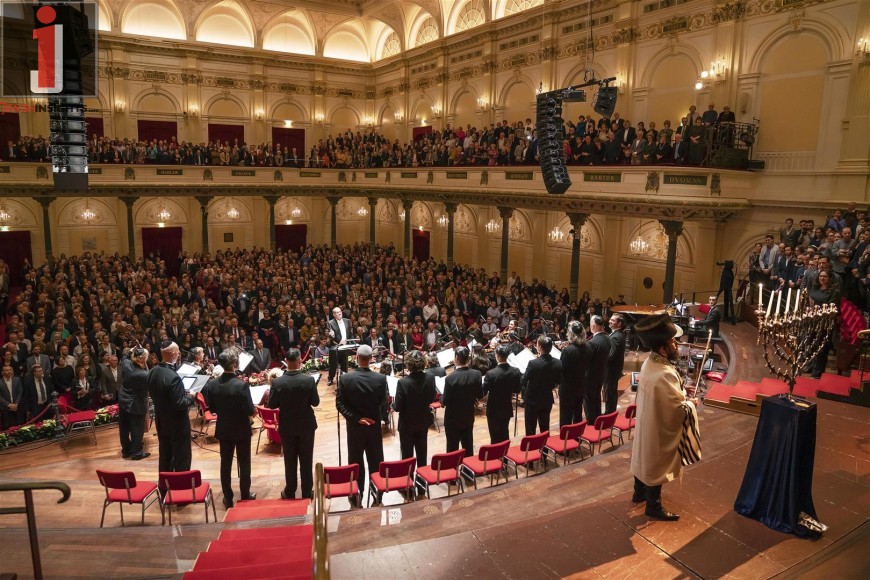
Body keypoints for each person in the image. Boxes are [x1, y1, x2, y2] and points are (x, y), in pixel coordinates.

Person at [631, 313, 691, 521]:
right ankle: (653, 506)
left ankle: (639, 493)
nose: (677, 345)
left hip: (647, 422)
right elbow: (676, 408)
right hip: (657, 427)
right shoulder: (665, 372)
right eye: (673, 341)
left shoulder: (649, 363)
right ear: (662, 348)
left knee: (643, 456)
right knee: (655, 461)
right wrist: (691, 403)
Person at [202, 349, 256, 508]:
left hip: (224, 428)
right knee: (244, 463)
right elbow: (249, 410)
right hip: (241, 429)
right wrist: (253, 411)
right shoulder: (241, 385)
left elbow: (212, 409)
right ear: (234, 364)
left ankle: (228, 497)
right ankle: (245, 494)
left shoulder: (212, 384)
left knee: (225, 464)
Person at [335, 344, 388, 505]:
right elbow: (383, 402)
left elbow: (339, 404)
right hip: (373, 427)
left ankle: (356, 495)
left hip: (355, 428)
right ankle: (377, 495)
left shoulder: (345, 379)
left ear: (356, 357)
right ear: (371, 358)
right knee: (376, 461)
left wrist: (356, 418)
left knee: (355, 462)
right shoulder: (380, 379)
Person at [268, 348, 320, 500]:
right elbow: (315, 402)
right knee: (306, 459)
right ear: (299, 360)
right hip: (306, 425)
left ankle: (290, 491)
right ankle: (307, 492)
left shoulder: (278, 382)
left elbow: (272, 404)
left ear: (286, 361)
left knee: (289, 460)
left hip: (287, 426)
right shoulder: (308, 380)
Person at [148, 341, 193, 490]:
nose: (179, 354)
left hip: (162, 423)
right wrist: (191, 396)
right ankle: (181, 492)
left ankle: (164, 490)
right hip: (177, 426)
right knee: (181, 460)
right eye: (178, 351)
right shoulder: (173, 377)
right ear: (173, 353)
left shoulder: (153, 371)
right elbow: (180, 404)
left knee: (165, 459)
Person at [392, 350, 437, 466]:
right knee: (422, 455)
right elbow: (432, 398)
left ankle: (409, 477)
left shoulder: (403, 382)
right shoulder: (430, 378)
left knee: (407, 458)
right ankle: (422, 476)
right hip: (423, 421)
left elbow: (397, 407)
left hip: (407, 424)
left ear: (408, 364)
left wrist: (392, 404)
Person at [441, 346, 483, 457]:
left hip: (452, 419)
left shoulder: (450, 378)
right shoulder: (477, 374)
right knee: (468, 447)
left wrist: (441, 398)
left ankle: (453, 468)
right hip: (468, 416)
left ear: (456, 359)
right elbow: (480, 395)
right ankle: (468, 467)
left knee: (452, 450)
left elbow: (444, 401)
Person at [521, 336, 562, 435]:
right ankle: (545, 444)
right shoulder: (557, 362)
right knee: (545, 426)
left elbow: (524, 379)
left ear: (539, 347)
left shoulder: (533, 363)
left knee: (530, 428)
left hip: (532, 399)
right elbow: (558, 380)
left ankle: (531, 445)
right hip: (547, 398)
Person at [482, 345, 521, 443]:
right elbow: (517, 390)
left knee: (494, 436)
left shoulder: (491, 373)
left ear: (497, 356)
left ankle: (496, 452)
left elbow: (483, 392)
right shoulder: (515, 371)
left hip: (493, 409)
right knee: (504, 432)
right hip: (506, 407)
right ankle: (505, 452)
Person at [118, 348, 151, 460]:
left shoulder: (126, 364)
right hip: (135, 403)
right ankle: (136, 453)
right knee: (137, 429)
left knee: (124, 428)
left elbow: (124, 356)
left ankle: (126, 451)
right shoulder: (144, 374)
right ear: (143, 359)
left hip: (123, 400)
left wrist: (131, 350)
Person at [559, 321, 591, 426]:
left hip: (567, 388)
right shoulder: (588, 347)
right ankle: (577, 434)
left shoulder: (567, 351)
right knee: (577, 413)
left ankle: (566, 436)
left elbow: (562, 370)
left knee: (566, 416)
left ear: (571, 334)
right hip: (581, 384)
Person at [586, 315, 610, 423]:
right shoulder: (607, 338)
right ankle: (598, 418)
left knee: (589, 400)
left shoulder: (593, 342)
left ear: (593, 326)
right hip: (601, 373)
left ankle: (591, 422)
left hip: (591, 375)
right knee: (596, 397)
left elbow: (587, 360)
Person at [605, 314, 627, 414]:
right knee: (611, 392)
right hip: (614, 369)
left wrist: (600, 360)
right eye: (610, 319)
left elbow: (611, 355)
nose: (610, 321)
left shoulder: (616, 337)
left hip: (611, 370)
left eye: (613, 320)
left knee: (610, 393)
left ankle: (609, 414)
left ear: (619, 324)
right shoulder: (618, 334)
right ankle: (611, 412)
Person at [327, 307, 353, 386]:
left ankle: (344, 378)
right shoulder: (330, 323)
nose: (339, 313)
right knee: (333, 365)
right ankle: (330, 378)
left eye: (340, 311)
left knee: (344, 363)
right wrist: (331, 335)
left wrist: (352, 342)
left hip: (345, 346)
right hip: (335, 346)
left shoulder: (347, 321)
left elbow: (350, 333)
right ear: (334, 314)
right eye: (337, 312)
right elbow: (330, 333)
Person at [0, 363, 23, 429]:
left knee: (18, 426)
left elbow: (20, 392)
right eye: (7, 370)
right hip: (5, 408)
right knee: (7, 427)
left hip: (17, 407)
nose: (9, 371)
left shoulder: (17, 380)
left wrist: (16, 404)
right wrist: (9, 405)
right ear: (2, 372)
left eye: (10, 370)